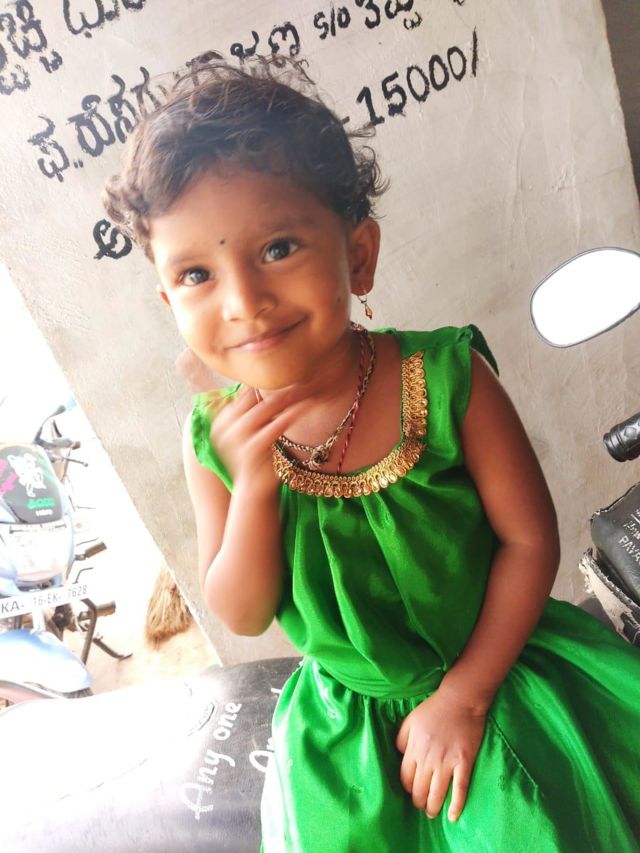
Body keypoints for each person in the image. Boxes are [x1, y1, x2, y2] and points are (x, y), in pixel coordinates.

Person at [103, 55, 640, 851]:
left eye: (278, 247)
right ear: (166, 297)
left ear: (358, 255)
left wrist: (464, 697)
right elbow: (244, 612)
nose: (244, 302)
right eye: (196, 274)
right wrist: (253, 488)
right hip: (346, 738)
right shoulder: (213, 439)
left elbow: (530, 542)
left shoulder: (448, 379)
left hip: (497, 679)